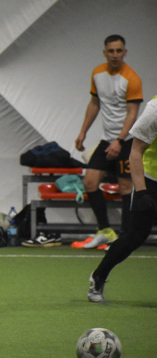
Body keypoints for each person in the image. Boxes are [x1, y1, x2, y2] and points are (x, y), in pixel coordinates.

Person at [73, 34, 143, 249]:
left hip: (127, 140)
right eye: (111, 51)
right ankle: (105, 231)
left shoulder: (131, 78)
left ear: (125, 52)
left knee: (125, 187)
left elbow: (132, 113)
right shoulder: (98, 73)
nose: (115, 55)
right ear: (105, 53)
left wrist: (120, 141)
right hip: (107, 140)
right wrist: (83, 132)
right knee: (90, 182)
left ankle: (124, 238)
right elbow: (95, 103)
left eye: (119, 51)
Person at [87, 95, 157, 302]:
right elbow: (135, 152)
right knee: (134, 236)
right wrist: (142, 192)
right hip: (150, 181)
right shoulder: (155, 108)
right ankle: (99, 276)